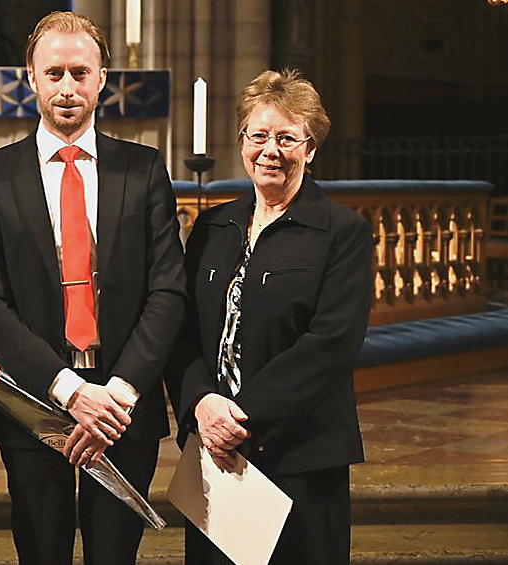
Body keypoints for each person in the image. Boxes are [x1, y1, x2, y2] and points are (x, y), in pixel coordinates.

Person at [0, 11, 185, 565]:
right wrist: (68, 390)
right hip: (35, 400)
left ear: (103, 77)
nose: (68, 88)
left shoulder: (144, 169)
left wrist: (119, 394)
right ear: (31, 78)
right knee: (42, 552)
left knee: (115, 556)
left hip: (122, 408)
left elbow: (168, 291)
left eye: (80, 73)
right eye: (55, 73)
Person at [174, 69, 373, 565]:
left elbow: (331, 345)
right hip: (215, 452)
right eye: (258, 135)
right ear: (242, 141)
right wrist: (200, 404)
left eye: (287, 138)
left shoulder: (341, 232)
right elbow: (182, 331)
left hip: (300, 454)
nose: (270, 150)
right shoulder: (212, 225)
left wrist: (238, 418)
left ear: (310, 148)